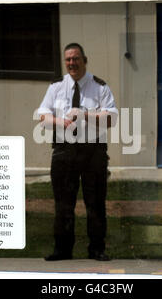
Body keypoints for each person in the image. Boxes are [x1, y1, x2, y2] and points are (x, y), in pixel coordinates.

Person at [37, 43, 118, 261]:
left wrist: (84, 115)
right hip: (64, 151)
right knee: (63, 204)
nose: (72, 63)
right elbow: (42, 116)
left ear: (85, 59)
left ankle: (97, 250)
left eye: (76, 59)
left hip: (93, 152)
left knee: (95, 203)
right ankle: (62, 250)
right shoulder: (56, 87)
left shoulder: (100, 87)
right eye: (68, 59)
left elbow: (111, 118)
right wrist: (60, 122)